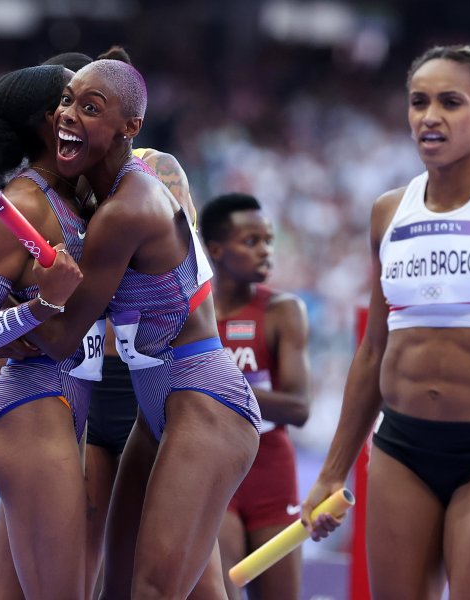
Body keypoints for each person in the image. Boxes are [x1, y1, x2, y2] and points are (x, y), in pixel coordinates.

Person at [301, 44, 470, 600]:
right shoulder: (388, 212)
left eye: (450, 103)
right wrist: (333, 470)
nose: (430, 116)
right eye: (419, 102)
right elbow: (372, 352)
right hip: (401, 449)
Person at [23, 59, 261, 599]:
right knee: (123, 589)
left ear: (131, 128)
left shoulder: (129, 207)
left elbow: (62, 337)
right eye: (67, 101)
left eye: (90, 107)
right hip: (157, 408)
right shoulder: (101, 198)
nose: (69, 114)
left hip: (205, 400)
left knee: (153, 591)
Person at [0, 63, 96, 599]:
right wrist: (44, 304)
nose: (77, 111)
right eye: (71, 99)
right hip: (31, 412)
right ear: (49, 120)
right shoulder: (24, 204)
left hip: (60, 413)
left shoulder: (76, 192)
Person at [200, 193, 311, 599]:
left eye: (268, 240)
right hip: (213, 467)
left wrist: (215, 380)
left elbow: (299, 408)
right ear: (215, 249)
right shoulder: (190, 311)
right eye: (251, 241)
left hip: (271, 467)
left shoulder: (284, 311)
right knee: (222, 590)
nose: (266, 251)